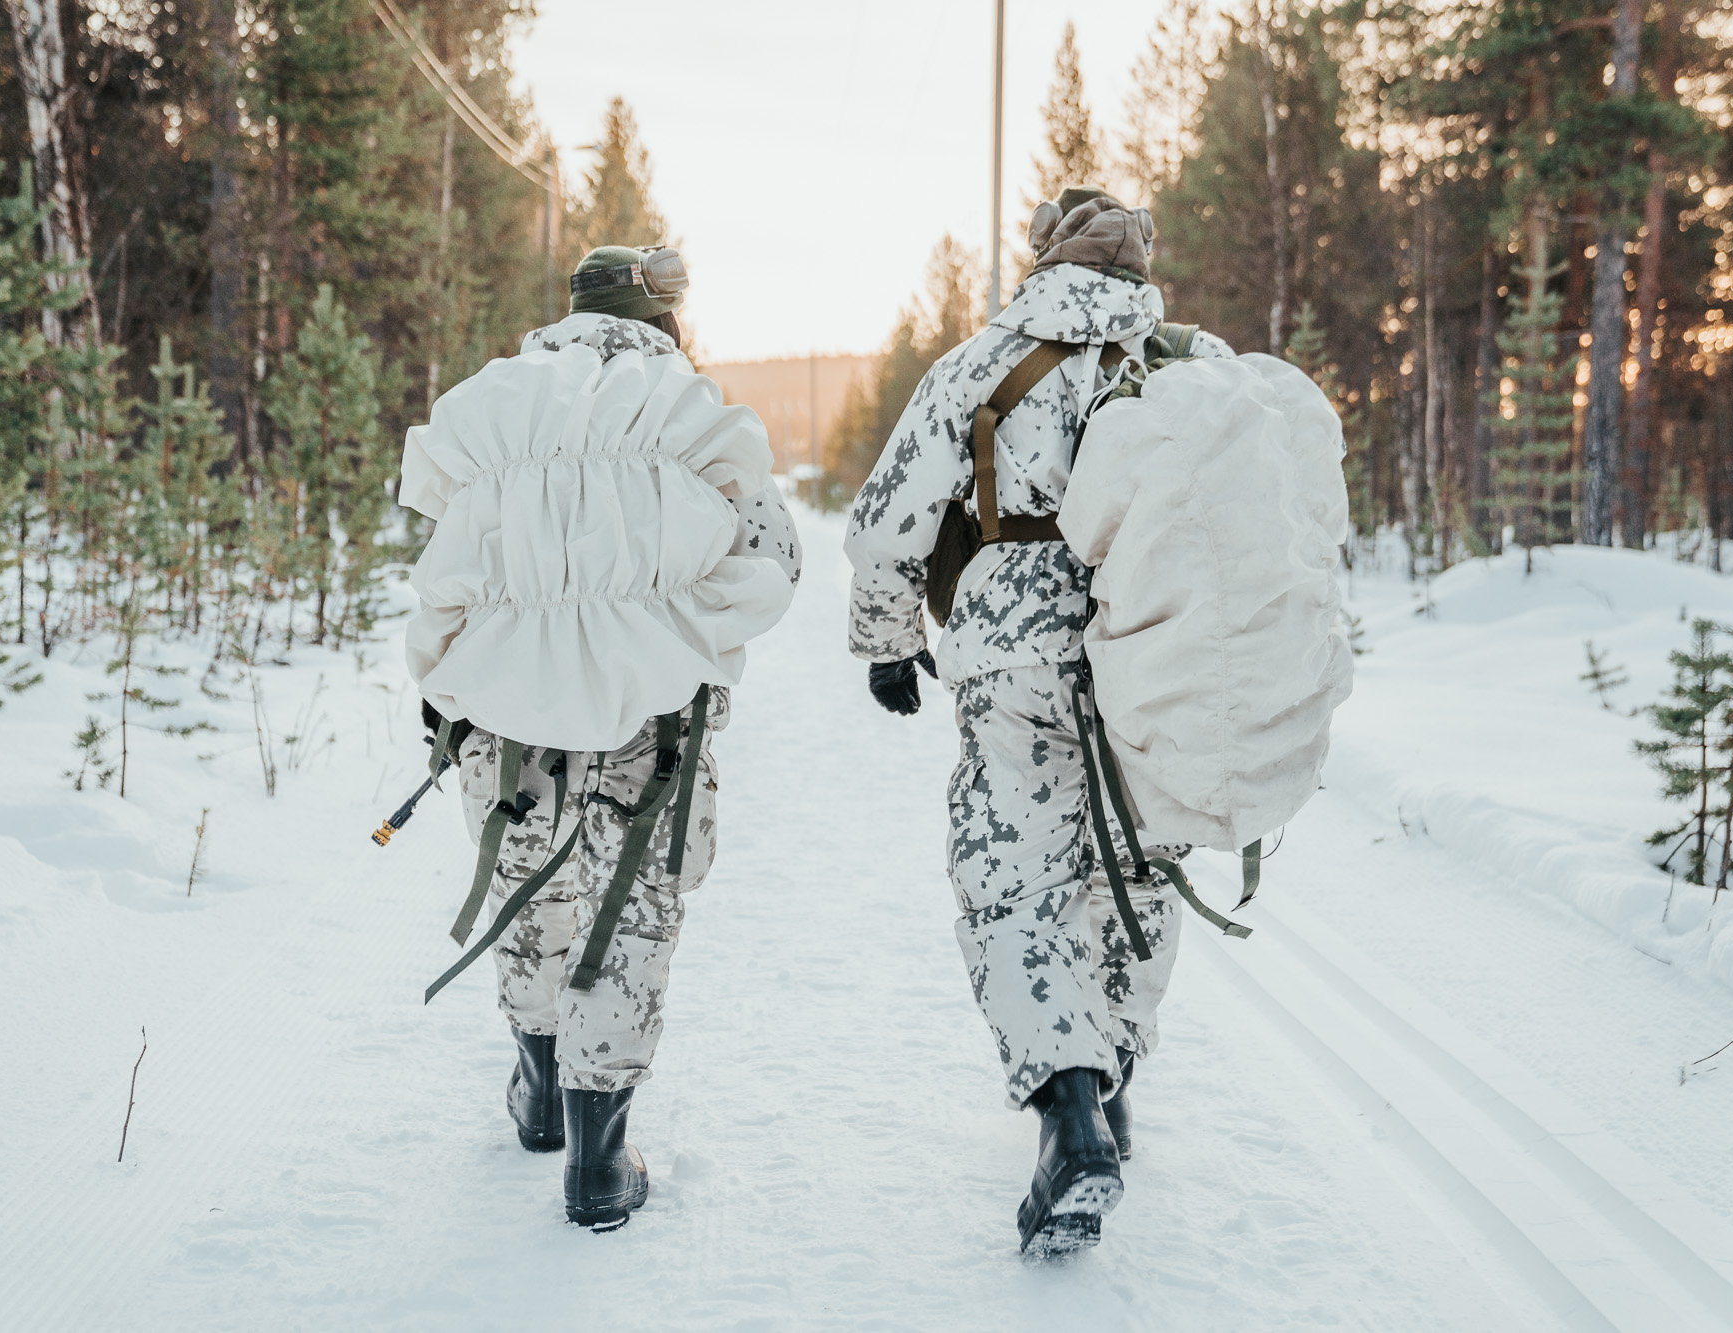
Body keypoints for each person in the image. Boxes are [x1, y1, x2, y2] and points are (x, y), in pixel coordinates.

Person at [843, 187, 1234, 1257]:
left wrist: (885, 640)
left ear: (1043, 258)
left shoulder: (981, 363)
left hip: (1013, 645)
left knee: (1008, 882)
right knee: (1133, 873)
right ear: (1138, 263)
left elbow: (888, 517)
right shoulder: (1187, 365)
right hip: (1149, 648)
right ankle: (1108, 1092)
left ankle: (1067, 1114)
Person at [404, 244, 801, 1231]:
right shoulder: (693, 409)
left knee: (529, 893)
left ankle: (537, 1086)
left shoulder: (488, 404)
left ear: (570, 314)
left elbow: (442, 568)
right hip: (654, 716)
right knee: (627, 920)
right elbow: (774, 562)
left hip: (502, 710)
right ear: (664, 320)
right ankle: (596, 1156)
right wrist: (684, 629)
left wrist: (440, 683)